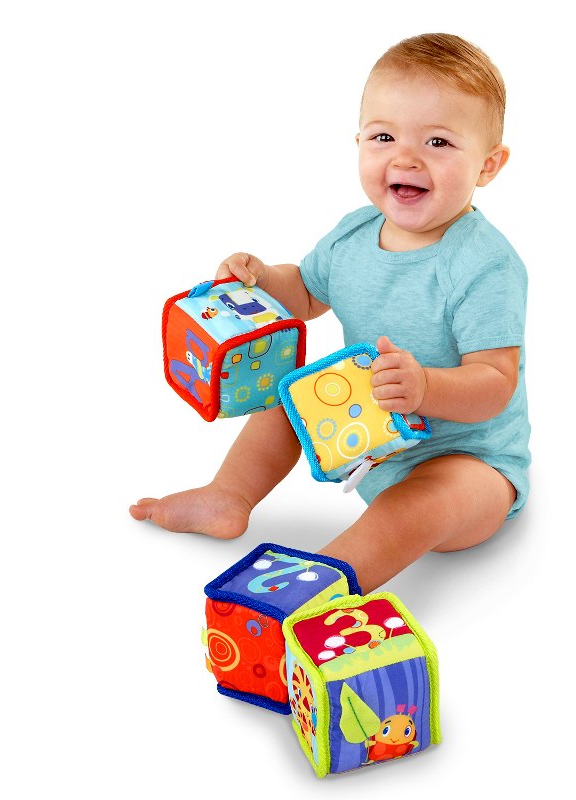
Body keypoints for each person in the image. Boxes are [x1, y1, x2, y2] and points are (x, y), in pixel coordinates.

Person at [130, 33, 531, 593]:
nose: (405, 158)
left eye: (438, 141)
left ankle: (324, 579)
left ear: (488, 165)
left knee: (421, 503)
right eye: (384, 136)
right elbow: (305, 292)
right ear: (359, 140)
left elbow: (494, 384)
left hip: (465, 462)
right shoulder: (353, 235)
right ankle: (228, 494)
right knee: (287, 390)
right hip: (360, 434)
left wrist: (424, 388)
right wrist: (260, 278)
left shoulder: (484, 265)